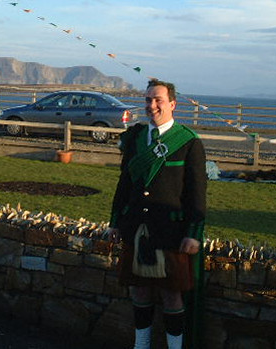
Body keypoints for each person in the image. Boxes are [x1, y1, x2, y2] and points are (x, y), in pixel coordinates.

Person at [108, 79, 206, 349]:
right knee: (139, 291)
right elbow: (125, 184)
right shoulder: (135, 138)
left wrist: (193, 234)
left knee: (171, 294)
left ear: (172, 104)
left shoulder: (188, 142)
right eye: (148, 100)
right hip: (136, 227)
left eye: (158, 100)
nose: (152, 105)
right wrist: (115, 222)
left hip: (171, 231)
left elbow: (196, 193)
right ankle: (142, 345)